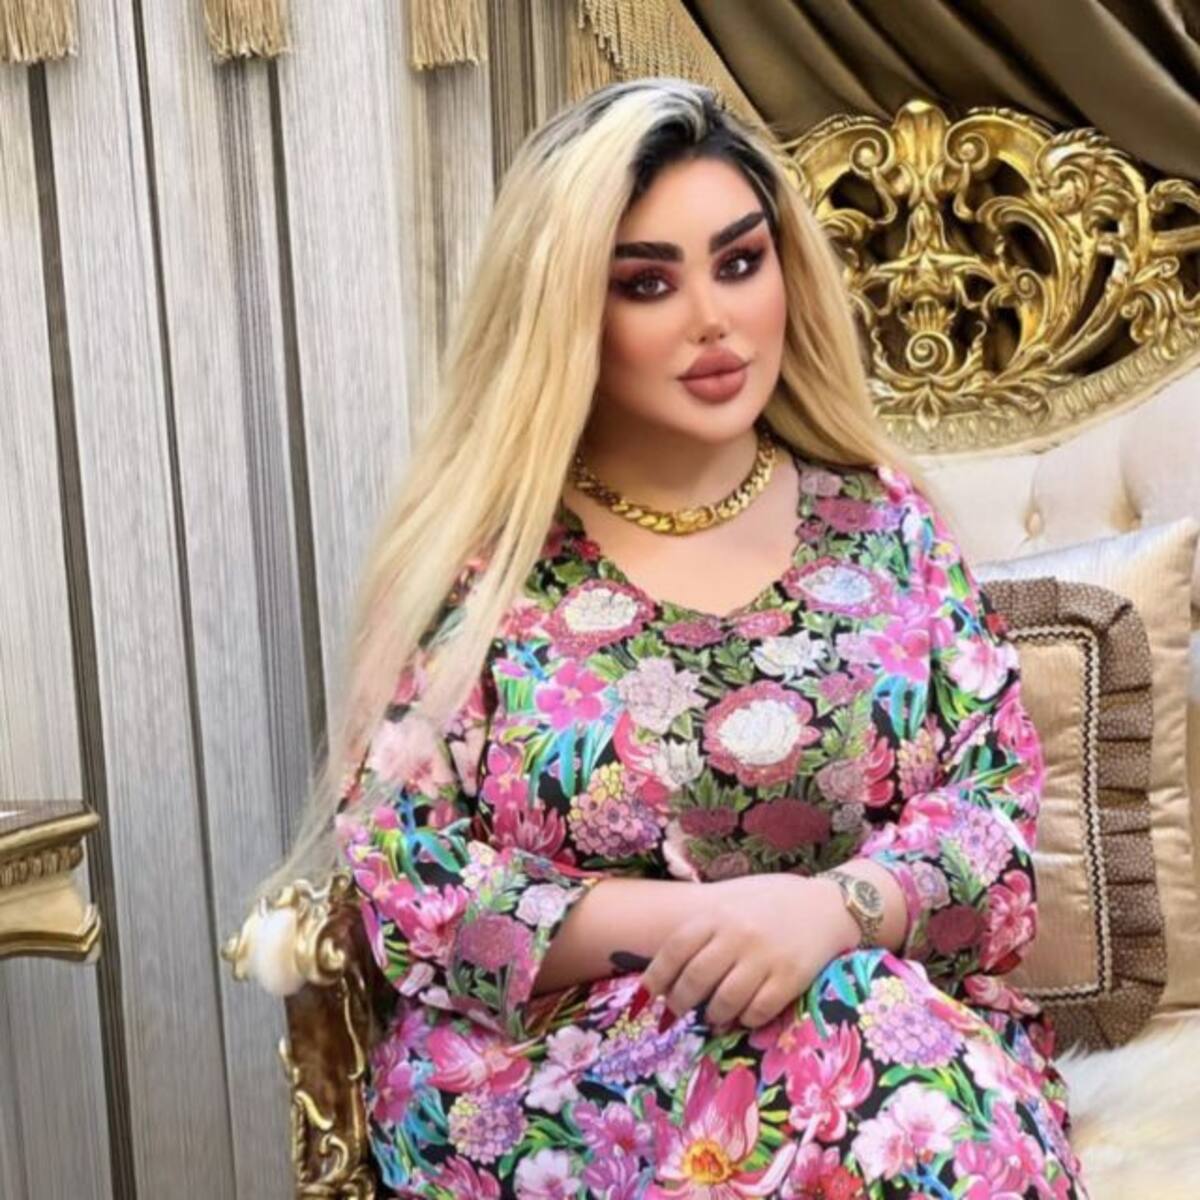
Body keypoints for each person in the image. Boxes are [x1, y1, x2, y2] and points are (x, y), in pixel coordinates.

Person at [267, 77, 1091, 1198]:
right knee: (869, 1062)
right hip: (562, 1084)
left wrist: (825, 916)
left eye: (740, 263)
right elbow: (413, 874)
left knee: (863, 1030)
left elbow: (991, 812)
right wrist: (712, 928)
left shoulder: (882, 520)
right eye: (648, 283)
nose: (713, 318)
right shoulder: (482, 565)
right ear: (566, 312)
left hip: (889, 1044)